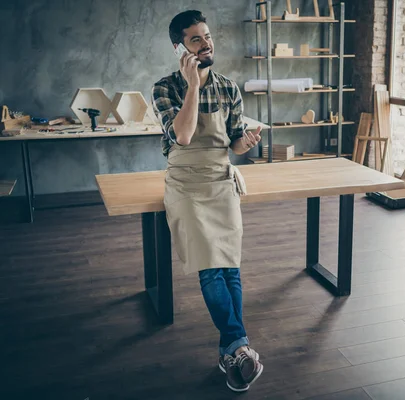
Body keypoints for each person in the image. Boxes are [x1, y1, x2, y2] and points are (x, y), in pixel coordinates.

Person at [151, 10, 264, 393]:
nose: (205, 44)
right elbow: (182, 136)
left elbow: (232, 143)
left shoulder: (230, 88)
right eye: (195, 39)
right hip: (185, 184)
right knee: (209, 267)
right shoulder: (164, 88)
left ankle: (234, 352)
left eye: (207, 36)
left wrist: (244, 144)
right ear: (179, 48)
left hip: (220, 178)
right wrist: (194, 86)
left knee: (229, 267)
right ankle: (240, 344)